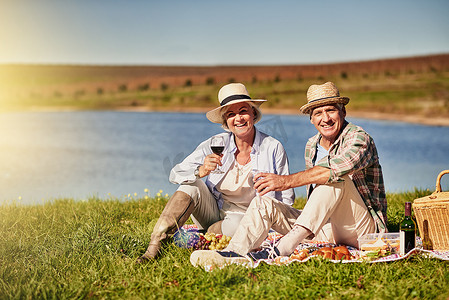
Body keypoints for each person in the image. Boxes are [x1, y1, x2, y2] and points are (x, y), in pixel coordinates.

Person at [190, 81, 387, 267]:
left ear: (343, 111)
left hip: (362, 230)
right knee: (262, 203)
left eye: (331, 110)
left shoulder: (358, 138)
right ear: (311, 119)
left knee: (334, 177)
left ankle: (283, 247)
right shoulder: (312, 145)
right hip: (323, 229)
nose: (325, 118)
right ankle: (234, 254)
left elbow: (333, 170)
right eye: (318, 113)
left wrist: (285, 182)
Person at [137, 83, 295, 262]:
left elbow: (286, 198)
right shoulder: (216, 143)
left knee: (237, 224)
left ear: (253, 114)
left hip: (252, 219)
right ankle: (155, 247)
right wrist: (201, 170)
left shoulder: (272, 147)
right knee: (191, 185)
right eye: (231, 114)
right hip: (215, 213)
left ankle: (206, 236)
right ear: (225, 121)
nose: (238, 118)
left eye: (243, 111)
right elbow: (176, 173)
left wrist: (276, 231)